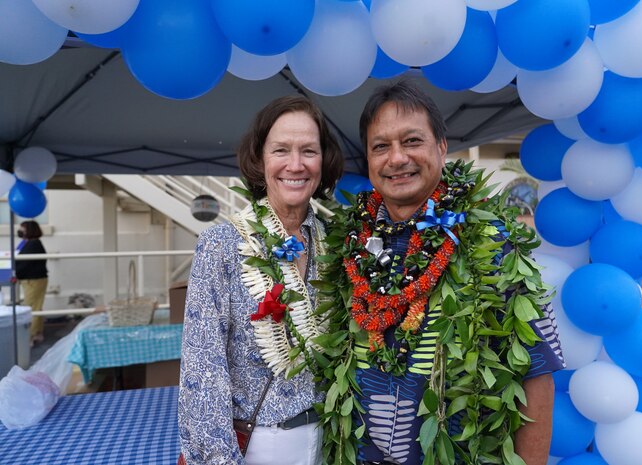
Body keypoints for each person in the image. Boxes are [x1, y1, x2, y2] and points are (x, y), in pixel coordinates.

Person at [319, 80, 565, 465]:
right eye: (380, 146)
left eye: (412, 141)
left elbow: (536, 375)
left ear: (442, 147)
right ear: (368, 160)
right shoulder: (347, 245)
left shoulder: (492, 242)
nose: (396, 158)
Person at [177, 95, 343, 465]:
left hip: (327, 444)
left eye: (309, 151)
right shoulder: (221, 246)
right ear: (260, 159)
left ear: (324, 160)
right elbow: (202, 371)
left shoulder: (335, 245)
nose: (295, 165)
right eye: (281, 150)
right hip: (253, 447)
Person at [15, 220, 48, 347]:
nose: (20, 231)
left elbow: (24, 263)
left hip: (33, 280)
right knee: (36, 306)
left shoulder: (33, 244)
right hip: (33, 279)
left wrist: (15, 273)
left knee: (31, 307)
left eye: (22, 229)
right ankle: (37, 333)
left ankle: (30, 335)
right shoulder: (29, 243)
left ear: (29, 230)